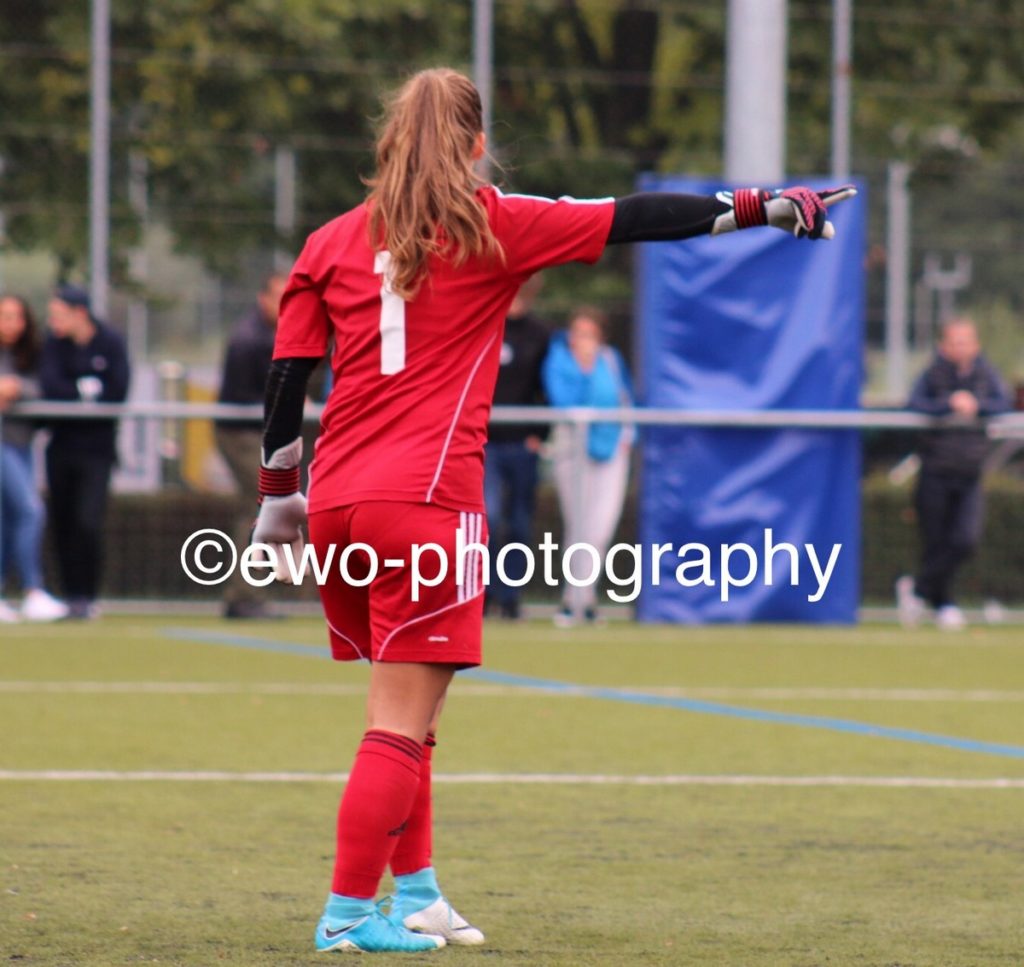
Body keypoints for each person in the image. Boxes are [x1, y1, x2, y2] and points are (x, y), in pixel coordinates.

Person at [248, 67, 854, 954]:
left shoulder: (329, 241)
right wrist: (768, 206)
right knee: (398, 721)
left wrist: (276, 500)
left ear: (386, 142)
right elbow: (636, 218)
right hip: (425, 503)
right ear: (477, 144)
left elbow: (286, 379)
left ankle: (415, 893)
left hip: (340, 503)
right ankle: (346, 912)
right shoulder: (494, 222)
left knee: (411, 715)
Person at [897, 317, 1012, 630]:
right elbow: (913, 405)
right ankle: (944, 604)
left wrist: (977, 406)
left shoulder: (986, 375)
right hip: (935, 469)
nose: (961, 347)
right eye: (955, 341)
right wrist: (948, 404)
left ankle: (918, 590)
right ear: (943, 345)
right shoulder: (933, 374)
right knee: (936, 541)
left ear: (976, 345)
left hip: (970, 471)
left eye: (967, 341)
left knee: (965, 540)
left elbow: (1004, 404)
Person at [39, 284, 130, 620]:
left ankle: (88, 596)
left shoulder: (111, 342)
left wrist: (77, 393)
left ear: (80, 313)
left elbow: (117, 391)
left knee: (88, 522)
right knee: (61, 522)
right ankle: (70, 596)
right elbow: (52, 387)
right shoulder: (53, 345)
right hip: (61, 447)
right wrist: (86, 390)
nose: (52, 322)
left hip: (97, 450)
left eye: (58, 315)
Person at [542, 305, 633, 626]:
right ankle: (572, 601)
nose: (584, 340)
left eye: (590, 334)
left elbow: (624, 398)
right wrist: (583, 367)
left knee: (600, 527)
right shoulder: (560, 360)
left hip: (611, 450)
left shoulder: (611, 359)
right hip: (574, 451)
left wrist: (627, 434)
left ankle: (587, 598)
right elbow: (565, 402)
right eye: (578, 334)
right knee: (579, 527)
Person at [215, 273, 288, 619]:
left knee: (260, 510)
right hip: (243, 434)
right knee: (259, 510)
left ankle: (244, 593)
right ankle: (244, 594)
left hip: (252, 434)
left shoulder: (267, 335)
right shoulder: (255, 340)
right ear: (263, 299)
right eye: (278, 296)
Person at [483, 274, 549, 620]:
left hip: (521, 443)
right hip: (484, 442)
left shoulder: (540, 334)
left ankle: (510, 597)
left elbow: (546, 389)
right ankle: (481, 594)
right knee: (488, 518)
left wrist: (540, 433)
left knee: (520, 523)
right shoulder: (484, 324)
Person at [0, 295, 68, 622]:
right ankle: (32, 589)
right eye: (4, 316)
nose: (10, 324)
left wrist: (16, 389)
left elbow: (44, 388)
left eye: (16, 317)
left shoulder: (31, 355)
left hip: (21, 443)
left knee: (8, 518)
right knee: (31, 510)